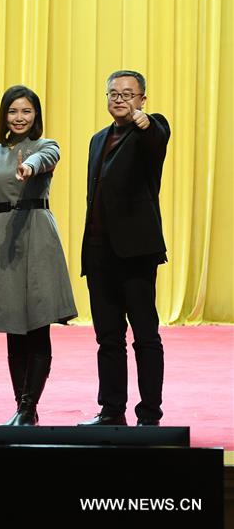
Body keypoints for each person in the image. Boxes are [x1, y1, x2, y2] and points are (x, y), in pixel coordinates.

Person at [0, 85, 77, 426]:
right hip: (4, 240)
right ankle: (22, 405)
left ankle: (27, 407)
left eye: (26, 111)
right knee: (12, 329)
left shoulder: (46, 146)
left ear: (36, 115)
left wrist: (30, 167)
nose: (19, 118)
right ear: (4, 115)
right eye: (13, 111)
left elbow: (44, 159)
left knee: (37, 327)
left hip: (37, 236)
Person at [79, 70, 170, 427]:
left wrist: (143, 121)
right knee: (108, 338)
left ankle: (150, 413)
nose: (119, 99)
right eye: (113, 93)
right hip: (99, 252)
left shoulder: (151, 129)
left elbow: (156, 137)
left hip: (136, 252)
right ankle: (112, 409)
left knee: (145, 334)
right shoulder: (97, 138)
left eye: (128, 93)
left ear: (142, 99)